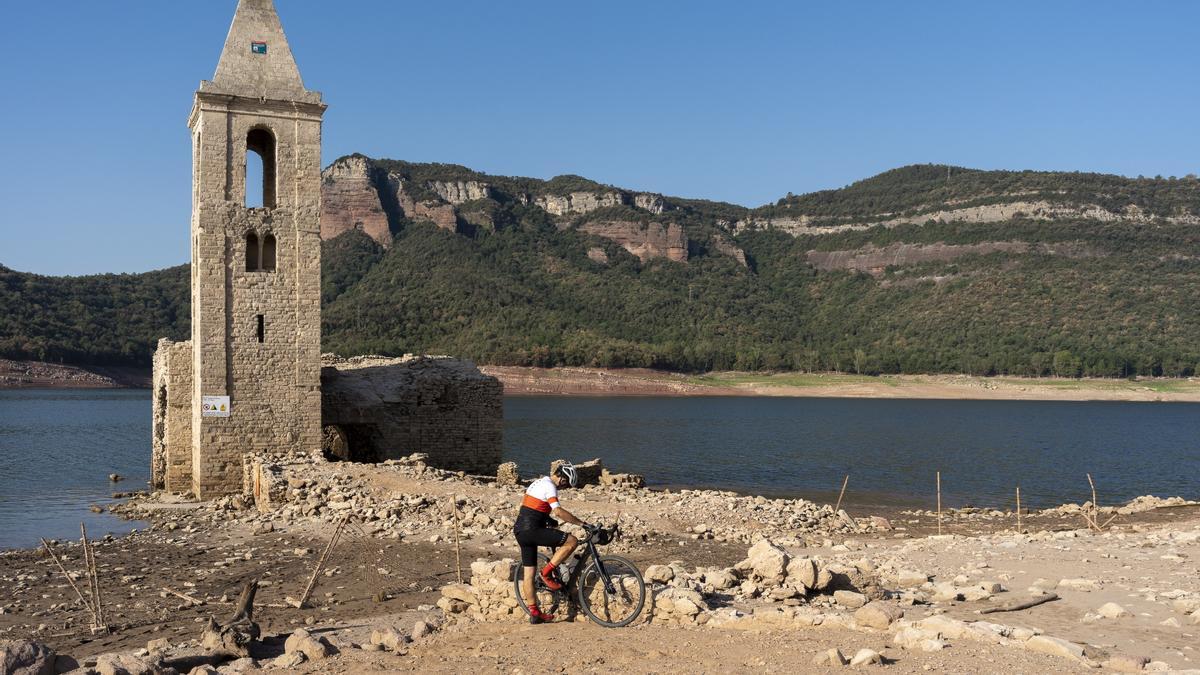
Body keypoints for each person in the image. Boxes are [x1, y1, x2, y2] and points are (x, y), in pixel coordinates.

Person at [513, 462, 589, 624]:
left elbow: (530, 508)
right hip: (533, 530)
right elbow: (558, 511)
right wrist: (582, 524)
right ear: (561, 476)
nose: (564, 486)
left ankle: (535, 613)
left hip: (520, 531)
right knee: (572, 541)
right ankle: (546, 573)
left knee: (528, 575)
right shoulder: (550, 486)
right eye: (565, 482)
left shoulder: (537, 483)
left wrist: (547, 519)